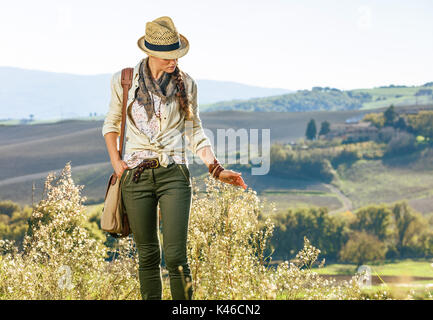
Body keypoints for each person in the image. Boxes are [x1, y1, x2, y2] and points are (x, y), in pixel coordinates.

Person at [102, 16, 247, 300]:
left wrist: (216, 169)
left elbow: (194, 131)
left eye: (177, 55)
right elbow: (110, 124)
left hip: (174, 175)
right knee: (147, 256)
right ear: (150, 52)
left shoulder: (187, 84)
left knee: (177, 256)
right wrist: (117, 164)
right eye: (168, 56)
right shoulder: (125, 80)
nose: (174, 61)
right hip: (135, 176)